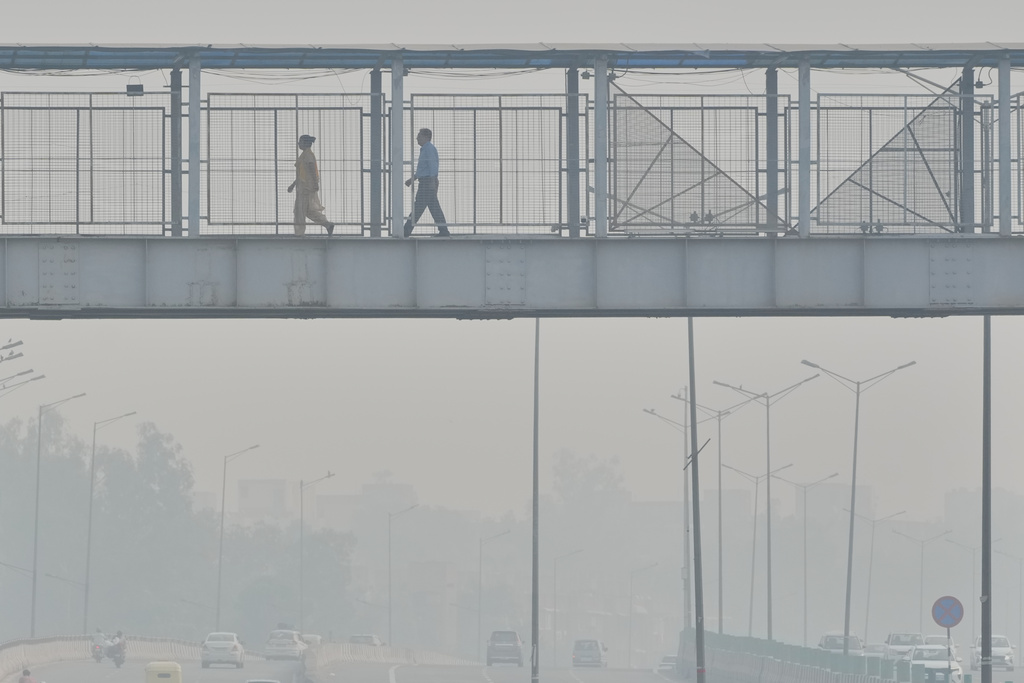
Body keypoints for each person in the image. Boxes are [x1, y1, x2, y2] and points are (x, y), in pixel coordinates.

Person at [404, 128, 450, 237]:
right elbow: (424, 169)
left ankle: (406, 230)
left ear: (426, 137)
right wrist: (412, 179)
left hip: (427, 182)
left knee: (418, 207)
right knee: (433, 207)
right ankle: (443, 231)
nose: (417, 138)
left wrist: (432, 181)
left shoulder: (428, 149)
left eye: (419, 136)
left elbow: (432, 166)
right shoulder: (426, 149)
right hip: (427, 181)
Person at [287, 135, 335, 236]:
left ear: (305, 143)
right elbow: (301, 174)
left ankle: (299, 234)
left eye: (300, 142)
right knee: (308, 211)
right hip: (304, 187)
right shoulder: (305, 155)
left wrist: (315, 183)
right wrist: (293, 185)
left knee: (299, 211)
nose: (298, 144)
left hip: (305, 188)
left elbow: (312, 169)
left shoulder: (308, 155)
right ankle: (327, 224)